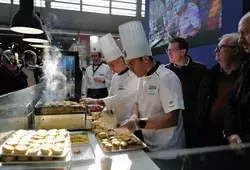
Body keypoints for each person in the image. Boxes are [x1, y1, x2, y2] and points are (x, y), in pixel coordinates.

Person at [116, 21, 185, 170]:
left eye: (132, 64)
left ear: (145, 59)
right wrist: (134, 117)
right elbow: (136, 103)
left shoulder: (167, 78)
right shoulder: (141, 78)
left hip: (168, 153)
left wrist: (137, 124)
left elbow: (172, 118)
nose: (130, 69)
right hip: (148, 146)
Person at [195, 33, 246, 148]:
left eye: (221, 47)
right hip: (210, 138)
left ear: (235, 50)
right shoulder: (209, 76)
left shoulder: (245, 76)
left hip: (236, 141)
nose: (215, 50)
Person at [83, 33, 138, 124]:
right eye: (109, 65)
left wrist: (96, 101)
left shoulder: (133, 76)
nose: (111, 68)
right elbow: (111, 95)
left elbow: (121, 97)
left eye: (112, 65)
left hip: (129, 120)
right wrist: (104, 111)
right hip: (116, 119)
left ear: (121, 61)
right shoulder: (115, 77)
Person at [166, 37, 207, 148]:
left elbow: (203, 99)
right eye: (168, 50)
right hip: (172, 121)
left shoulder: (200, 70)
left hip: (193, 122)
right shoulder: (165, 71)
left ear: (183, 52)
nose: (168, 53)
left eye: (172, 50)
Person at [224, 12, 250, 144]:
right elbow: (233, 100)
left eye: (245, 32)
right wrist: (230, 133)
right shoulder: (246, 64)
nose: (240, 40)